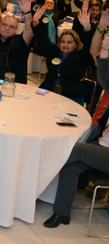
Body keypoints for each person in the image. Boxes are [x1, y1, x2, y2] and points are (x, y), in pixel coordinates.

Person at [43, 32, 109, 228]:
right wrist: (104, 50)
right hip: (102, 145)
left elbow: (104, 79)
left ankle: (41, 172)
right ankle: (62, 213)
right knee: (71, 166)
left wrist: (105, 51)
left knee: (76, 148)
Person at [32, 7, 93, 105]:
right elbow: (42, 41)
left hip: (71, 97)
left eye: (69, 42)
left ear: (76, 44)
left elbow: (88, 46)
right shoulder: (54, 52)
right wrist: (35, 22)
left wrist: (87, 29)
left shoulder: (80, 56)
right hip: (49, 92)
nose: (65, 44)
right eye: (63, 42)